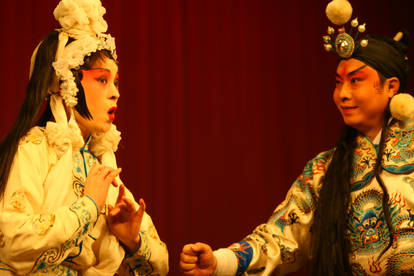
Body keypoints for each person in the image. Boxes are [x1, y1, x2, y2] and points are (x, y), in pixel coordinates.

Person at [179, 0, 412, 275]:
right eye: (338, 83)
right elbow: (281, 238)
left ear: (390, 87)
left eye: (355, 81)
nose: (343, 94)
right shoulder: (324, 170)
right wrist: (220, 262)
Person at [0, 0, 168, 275]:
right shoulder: (34, 148)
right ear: (65, 83)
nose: (115, 93)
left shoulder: (104, 171)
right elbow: (12, 240)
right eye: (102, 80)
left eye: (116, 82)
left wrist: (132, 239)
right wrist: (87, 207)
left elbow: (161, 263)